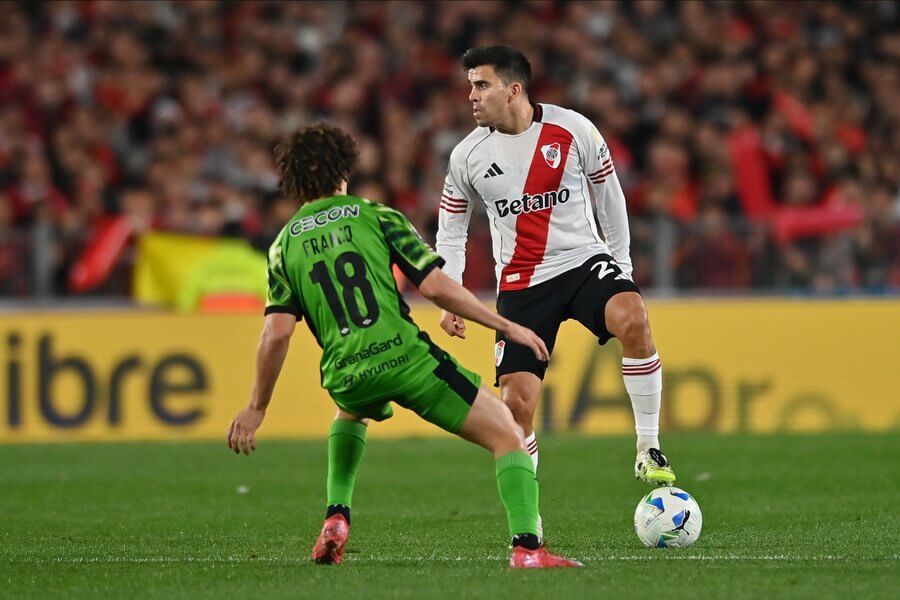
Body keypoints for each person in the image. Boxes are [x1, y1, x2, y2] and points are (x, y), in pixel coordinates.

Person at [226, 124, 581, 569]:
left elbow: (276, 333)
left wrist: (258, 406)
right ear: (343, 167)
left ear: (293, 179)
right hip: (406, 361)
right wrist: (506, 325)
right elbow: (436, 287)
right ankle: (528, 549)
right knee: (509, 434)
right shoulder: (376, 217)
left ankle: (337, 515)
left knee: (349, 409)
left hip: (346, 373)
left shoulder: (282, 246)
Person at [435, 46, 676, 536]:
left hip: (584, 263)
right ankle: (531, 521)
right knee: (516, 407)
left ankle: (647, 446)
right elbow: (451, 228)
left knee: (633, 317)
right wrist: (449, 291)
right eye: (470, 85)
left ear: (513, 89)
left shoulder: (574, 130)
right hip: (523, 286)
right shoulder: (468, 155)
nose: (471, 96)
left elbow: (611, 198)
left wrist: (622, 268)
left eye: (481, 85)